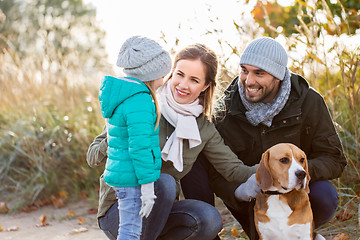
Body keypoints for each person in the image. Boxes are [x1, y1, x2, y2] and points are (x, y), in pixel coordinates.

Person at [87, 43, 258, 240]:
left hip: (160, 215)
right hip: (120, 209)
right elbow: (92, 158)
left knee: (209, 219)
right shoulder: (140, 105)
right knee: (165, 182)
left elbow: (233, 169)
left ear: (205, 86)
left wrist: (275, 170)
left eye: (194, 80)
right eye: (180, 74)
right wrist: (117, 133)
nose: (183, 85)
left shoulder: (202, 128)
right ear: (171, 72)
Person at [188, 37, 347, 240]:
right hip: (250, 197)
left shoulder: (309, 101)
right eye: (244, 70)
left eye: (259, 73)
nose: (249, 80)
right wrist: (241, 191)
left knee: (325, 195)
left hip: (299, 194)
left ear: (278, 76)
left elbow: (334, 158)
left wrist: (295, 174)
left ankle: (302, 231)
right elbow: (216, 171)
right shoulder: (225, 109)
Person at [98, 36, 172, 239]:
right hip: (131, 178)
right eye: (164, 73)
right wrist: (148, 188)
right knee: (130, 231)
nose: (166, 78)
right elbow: (140, 147)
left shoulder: (123, 95)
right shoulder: (140, 101)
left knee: (130, 229)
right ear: (153, 72)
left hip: (121, 175)